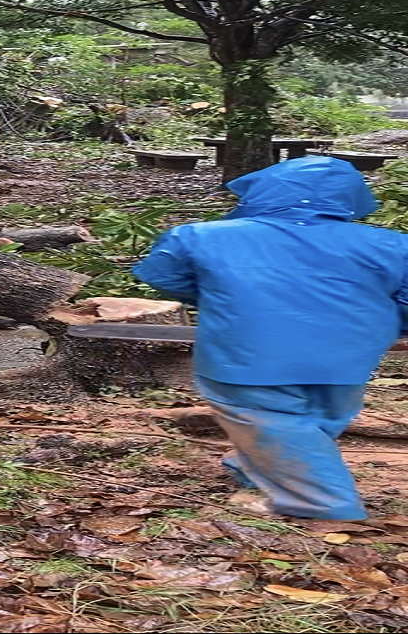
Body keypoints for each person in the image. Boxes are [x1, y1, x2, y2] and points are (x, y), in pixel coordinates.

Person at [134, 156, 408, 521]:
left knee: (274, 421)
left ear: (261, 189)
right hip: (348, 356)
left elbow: (162, 275)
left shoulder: (200, 236)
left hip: (247, 352)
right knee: (315, 418)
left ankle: (322, 504)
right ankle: (255, 468)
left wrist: (225, 294)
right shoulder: (391, 245)